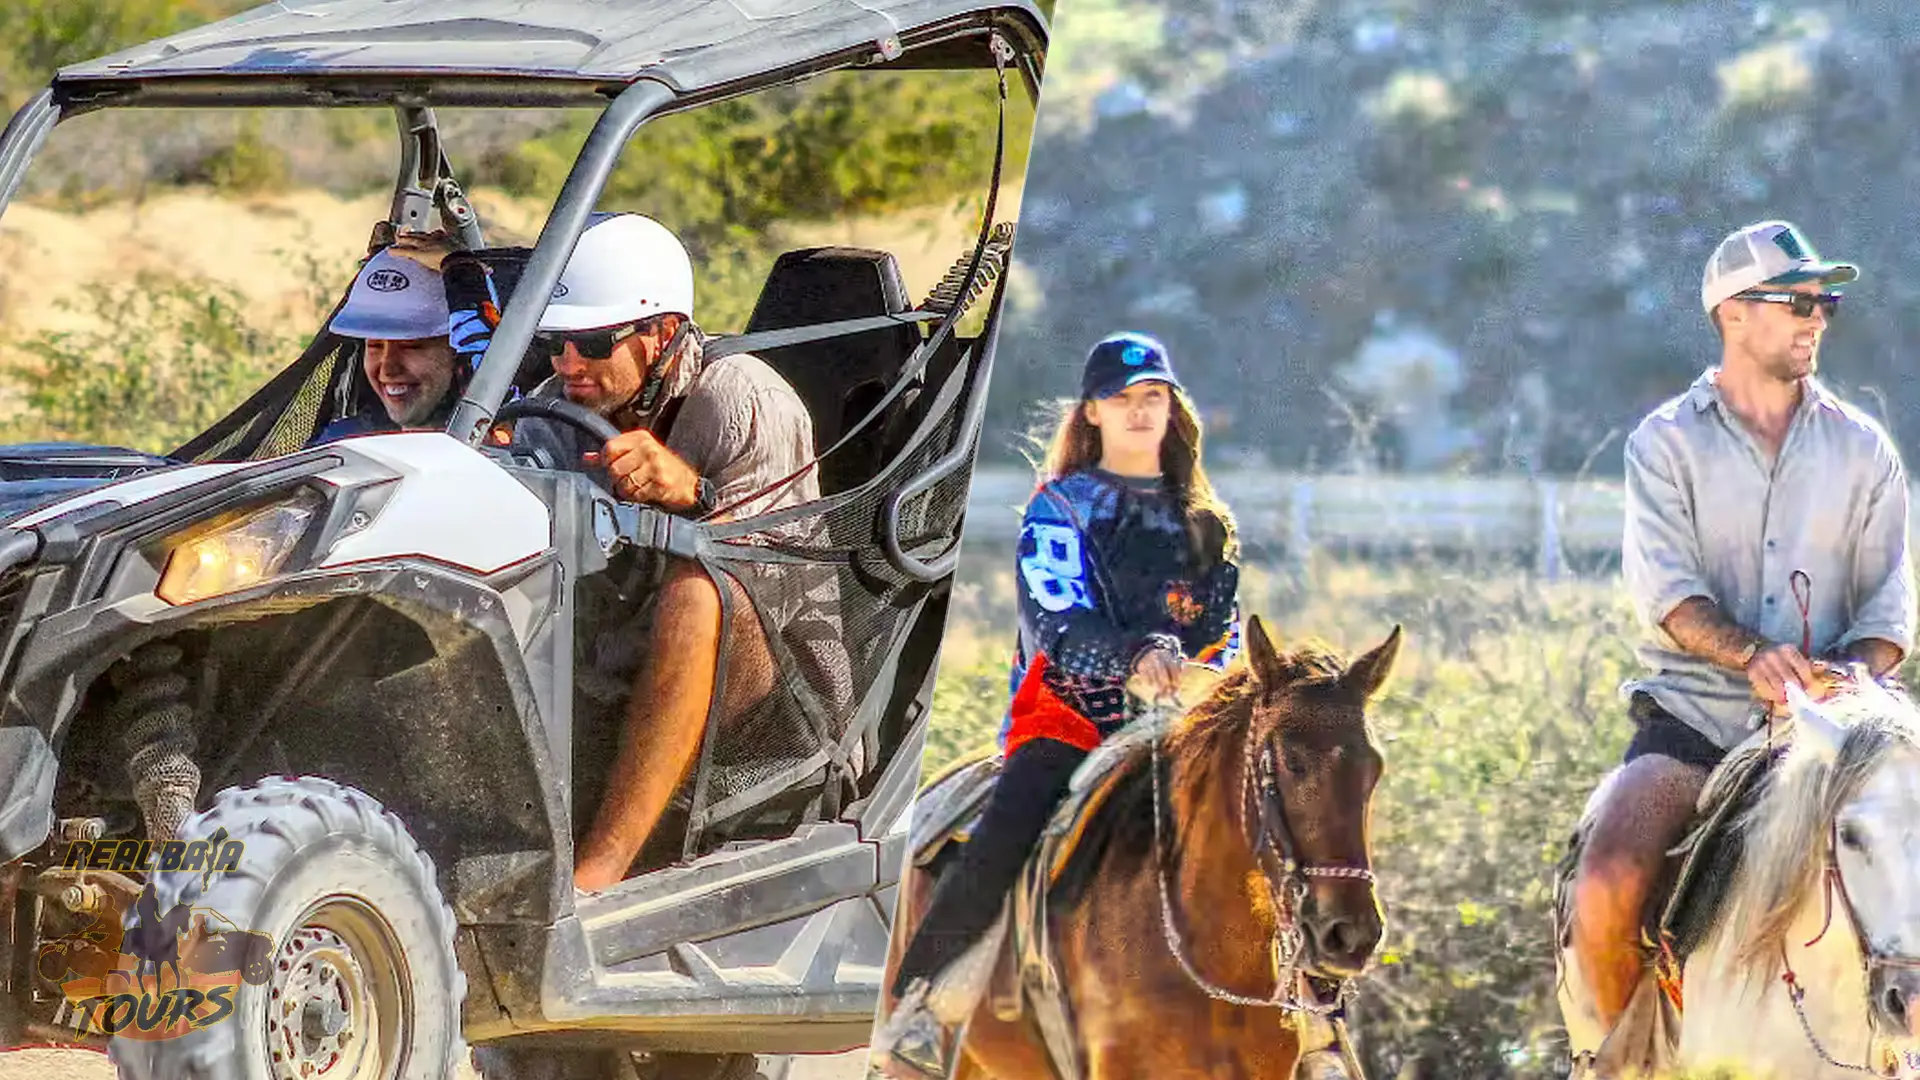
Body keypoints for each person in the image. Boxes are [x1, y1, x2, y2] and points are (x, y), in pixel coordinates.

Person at [1569, 220, 1915, 1045]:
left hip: (1840, 737)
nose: (1817, 317)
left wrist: (1849, 678)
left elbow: (1888, 610)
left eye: (1825, 303)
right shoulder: (1665, 442)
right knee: (1609, 876)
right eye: (1797, 301)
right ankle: (1617, 1056)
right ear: (1732, 312)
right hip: (1695, 722)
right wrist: (1753, 657)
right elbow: (1668, 592)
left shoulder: (1864, 451)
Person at [873, 331, 1242, 1078]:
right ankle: (918, 1009)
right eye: (1121, 398)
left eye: (1153, 397)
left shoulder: (1207, 522)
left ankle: (1314, 1017)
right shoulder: (1059, 508)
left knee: (1274, 821)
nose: (1139, 411)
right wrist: (1133, 658)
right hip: (1071, 713)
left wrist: (1204, 672)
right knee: (1007, 829)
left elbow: (1223, 631)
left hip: (1179, 723)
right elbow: (1055, 618)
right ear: (1093, 412)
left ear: (1172, 409)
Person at [503, 211, 847, 894]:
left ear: (660, 333)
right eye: (553, 342)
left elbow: (766, 582)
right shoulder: (551, 408)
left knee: (700, 587)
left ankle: (597, 878)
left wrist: (693, 498)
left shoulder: (744, 398)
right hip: (613, 665)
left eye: (592, 342)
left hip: (778, 695)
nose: (568, 364)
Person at [310, 238, 466, 443]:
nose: (387, 370)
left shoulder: (500, 446)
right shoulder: (344, 443)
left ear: (458, 353)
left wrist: (464, 272)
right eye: (374, 345)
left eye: (411, 346)